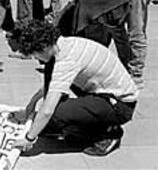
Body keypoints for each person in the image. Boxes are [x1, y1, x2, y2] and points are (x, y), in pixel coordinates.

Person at [7, 20, 138, 156]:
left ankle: (108, 134)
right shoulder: (64, 44)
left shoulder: (66, 61)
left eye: (35, 54)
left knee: (56, 114)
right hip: (104, 92)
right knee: (49, 103)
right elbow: (53, 84)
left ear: (43, 47)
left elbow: (47, 111)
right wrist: (32, 102)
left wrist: (29, 138)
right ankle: (85, 121)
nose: (36, 58)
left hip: (120, 106)